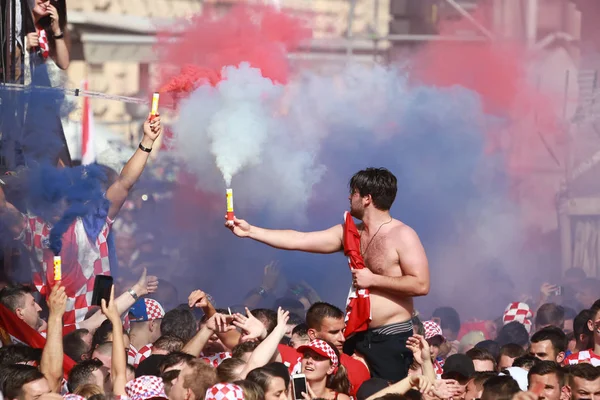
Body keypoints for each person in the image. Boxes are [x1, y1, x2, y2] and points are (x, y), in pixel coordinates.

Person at [226, 167, 430, 382]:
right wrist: (251, 231)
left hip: (391, 337)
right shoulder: (350, 233)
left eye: (354, 192)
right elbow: (300, 239)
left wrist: (374, 279)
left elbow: (421, 284)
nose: (349, 197)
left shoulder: (402, 235)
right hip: (356, 335)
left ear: (367, 198)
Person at [0, 114, 163, 328]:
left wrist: (147, 142)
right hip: (61, 329)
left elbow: (125, 183)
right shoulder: (33, 228)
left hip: (103, 322)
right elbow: (3, 208)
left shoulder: (92, 222)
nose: (59, 201)